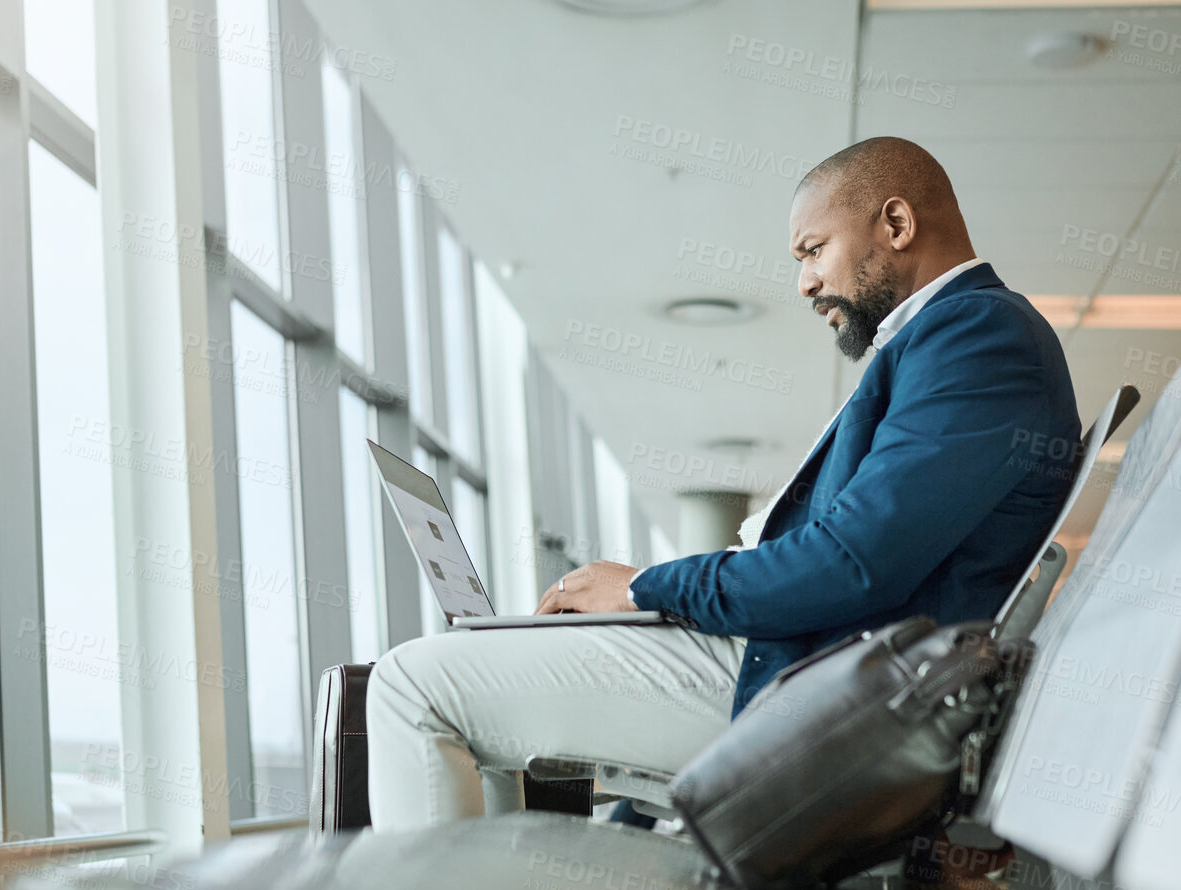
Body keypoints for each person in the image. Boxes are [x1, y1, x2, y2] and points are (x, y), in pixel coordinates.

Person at [366, 136, 1081, 833]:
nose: (804, 282)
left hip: (813, 685)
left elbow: (851, 563)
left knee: (409, 685)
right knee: (482, 692)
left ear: (895, 224)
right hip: (811, 665)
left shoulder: (978, 336)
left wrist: (646, 588)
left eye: (813, 251)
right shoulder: (950, 339)